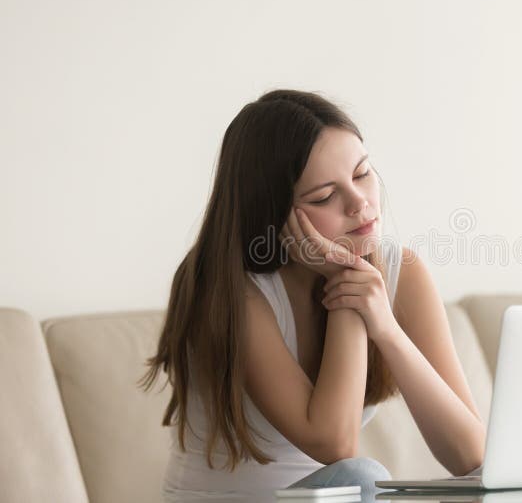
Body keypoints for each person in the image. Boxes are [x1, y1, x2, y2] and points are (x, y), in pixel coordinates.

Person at [140, 89, 485, 502]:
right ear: (273, 213)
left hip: (328, 499)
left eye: (361, 173)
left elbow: (472, 456)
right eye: (324, 196)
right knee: (363, 475)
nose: (360, 203)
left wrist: (388, 330)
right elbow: (335, 446)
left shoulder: (402, 274)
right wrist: (348, 283)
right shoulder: (227, 289)